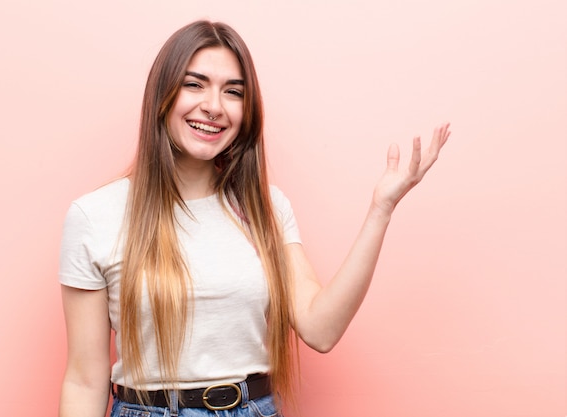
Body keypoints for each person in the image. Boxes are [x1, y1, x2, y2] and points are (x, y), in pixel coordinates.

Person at [58, 20, 450, 417]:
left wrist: (380, 209)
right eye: (195, 84)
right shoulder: (95, 216)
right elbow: (85, 379)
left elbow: (321, 328)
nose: (214, 106)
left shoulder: (266, 209)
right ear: (162, 94)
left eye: (233, 92)